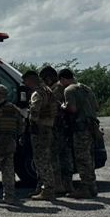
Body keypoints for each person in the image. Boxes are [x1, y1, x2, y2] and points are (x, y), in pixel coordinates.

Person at [59, 67, 101, 199]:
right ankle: (92, 187)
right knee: (89, 158)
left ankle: (85, 188)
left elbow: (72, 109)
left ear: (63, 79)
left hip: (80, 128)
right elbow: (96, 107)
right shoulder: (86, 88)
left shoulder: (69, 90)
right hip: (92, 127)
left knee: (82, 159)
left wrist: (63, 106)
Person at [24, 67, 66, 199]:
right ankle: (42, 187)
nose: (25, 84)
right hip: (49, 127)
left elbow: (34, 112)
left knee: (41, 160)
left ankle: (48, 189)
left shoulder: (37, 93)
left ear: (30, 80)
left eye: (25, 81)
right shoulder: (48, 90)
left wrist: (30, 124)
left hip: (40, 130)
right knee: (46, 159)